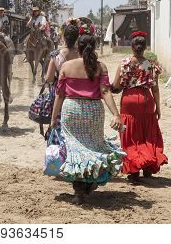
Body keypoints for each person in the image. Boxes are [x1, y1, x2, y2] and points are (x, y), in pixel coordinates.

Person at [50, 23, 125, 205]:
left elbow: (59, 95)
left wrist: (53, 119)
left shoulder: (66, 67)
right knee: (93, 146)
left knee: (75, 148)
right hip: (94, 111)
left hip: (72, 109)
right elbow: (106, 92)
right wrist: (116, 114)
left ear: (78, 47)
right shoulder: (100, 67)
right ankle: (90, 182)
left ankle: (79, 192)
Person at [111, 31, 167, 181]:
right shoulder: (151, 65)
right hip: (146, 100)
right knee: (147, 134)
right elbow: (155, 88)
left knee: (130, 136)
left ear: (132, 46)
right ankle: (148, 167)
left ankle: (134, 170)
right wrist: (158, 108)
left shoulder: (124, 64)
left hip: (129, 100)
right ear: (144, 47)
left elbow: (116, 86)